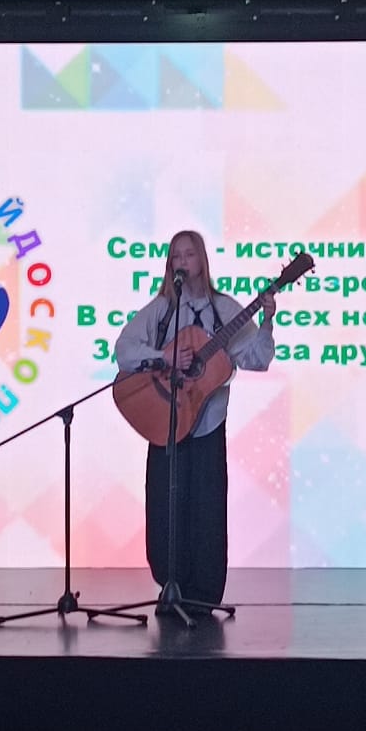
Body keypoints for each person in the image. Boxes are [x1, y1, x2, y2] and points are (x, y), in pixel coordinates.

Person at [114, 230, 276, 608]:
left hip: (207, 423)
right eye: (176, 256)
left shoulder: (225, 309)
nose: (182, 262)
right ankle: (171, 586)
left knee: (207, 508)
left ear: (202, 260)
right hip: (165, 421)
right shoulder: (161, 310)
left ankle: (203, 595)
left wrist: (268, 320)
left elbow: (258, 359)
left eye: (189, 255)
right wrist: (164, 357)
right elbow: (124, 351)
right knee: (165, 506)